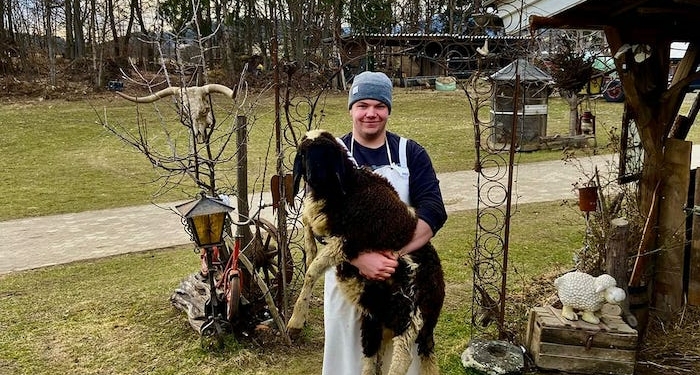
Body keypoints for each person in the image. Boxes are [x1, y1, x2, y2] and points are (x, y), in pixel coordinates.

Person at [322, 71, 448, 374]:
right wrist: (359, 258)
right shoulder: (331, 156)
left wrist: (392, 257)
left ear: (388, 109)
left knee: (402, 356)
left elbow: (434, 210)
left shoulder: (410, 153)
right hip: (348, 283)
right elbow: (319, 222)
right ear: (351, 108)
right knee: (349, 359)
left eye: (379, 105)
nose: (370, 113)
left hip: (401, 281)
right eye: (362, 104)